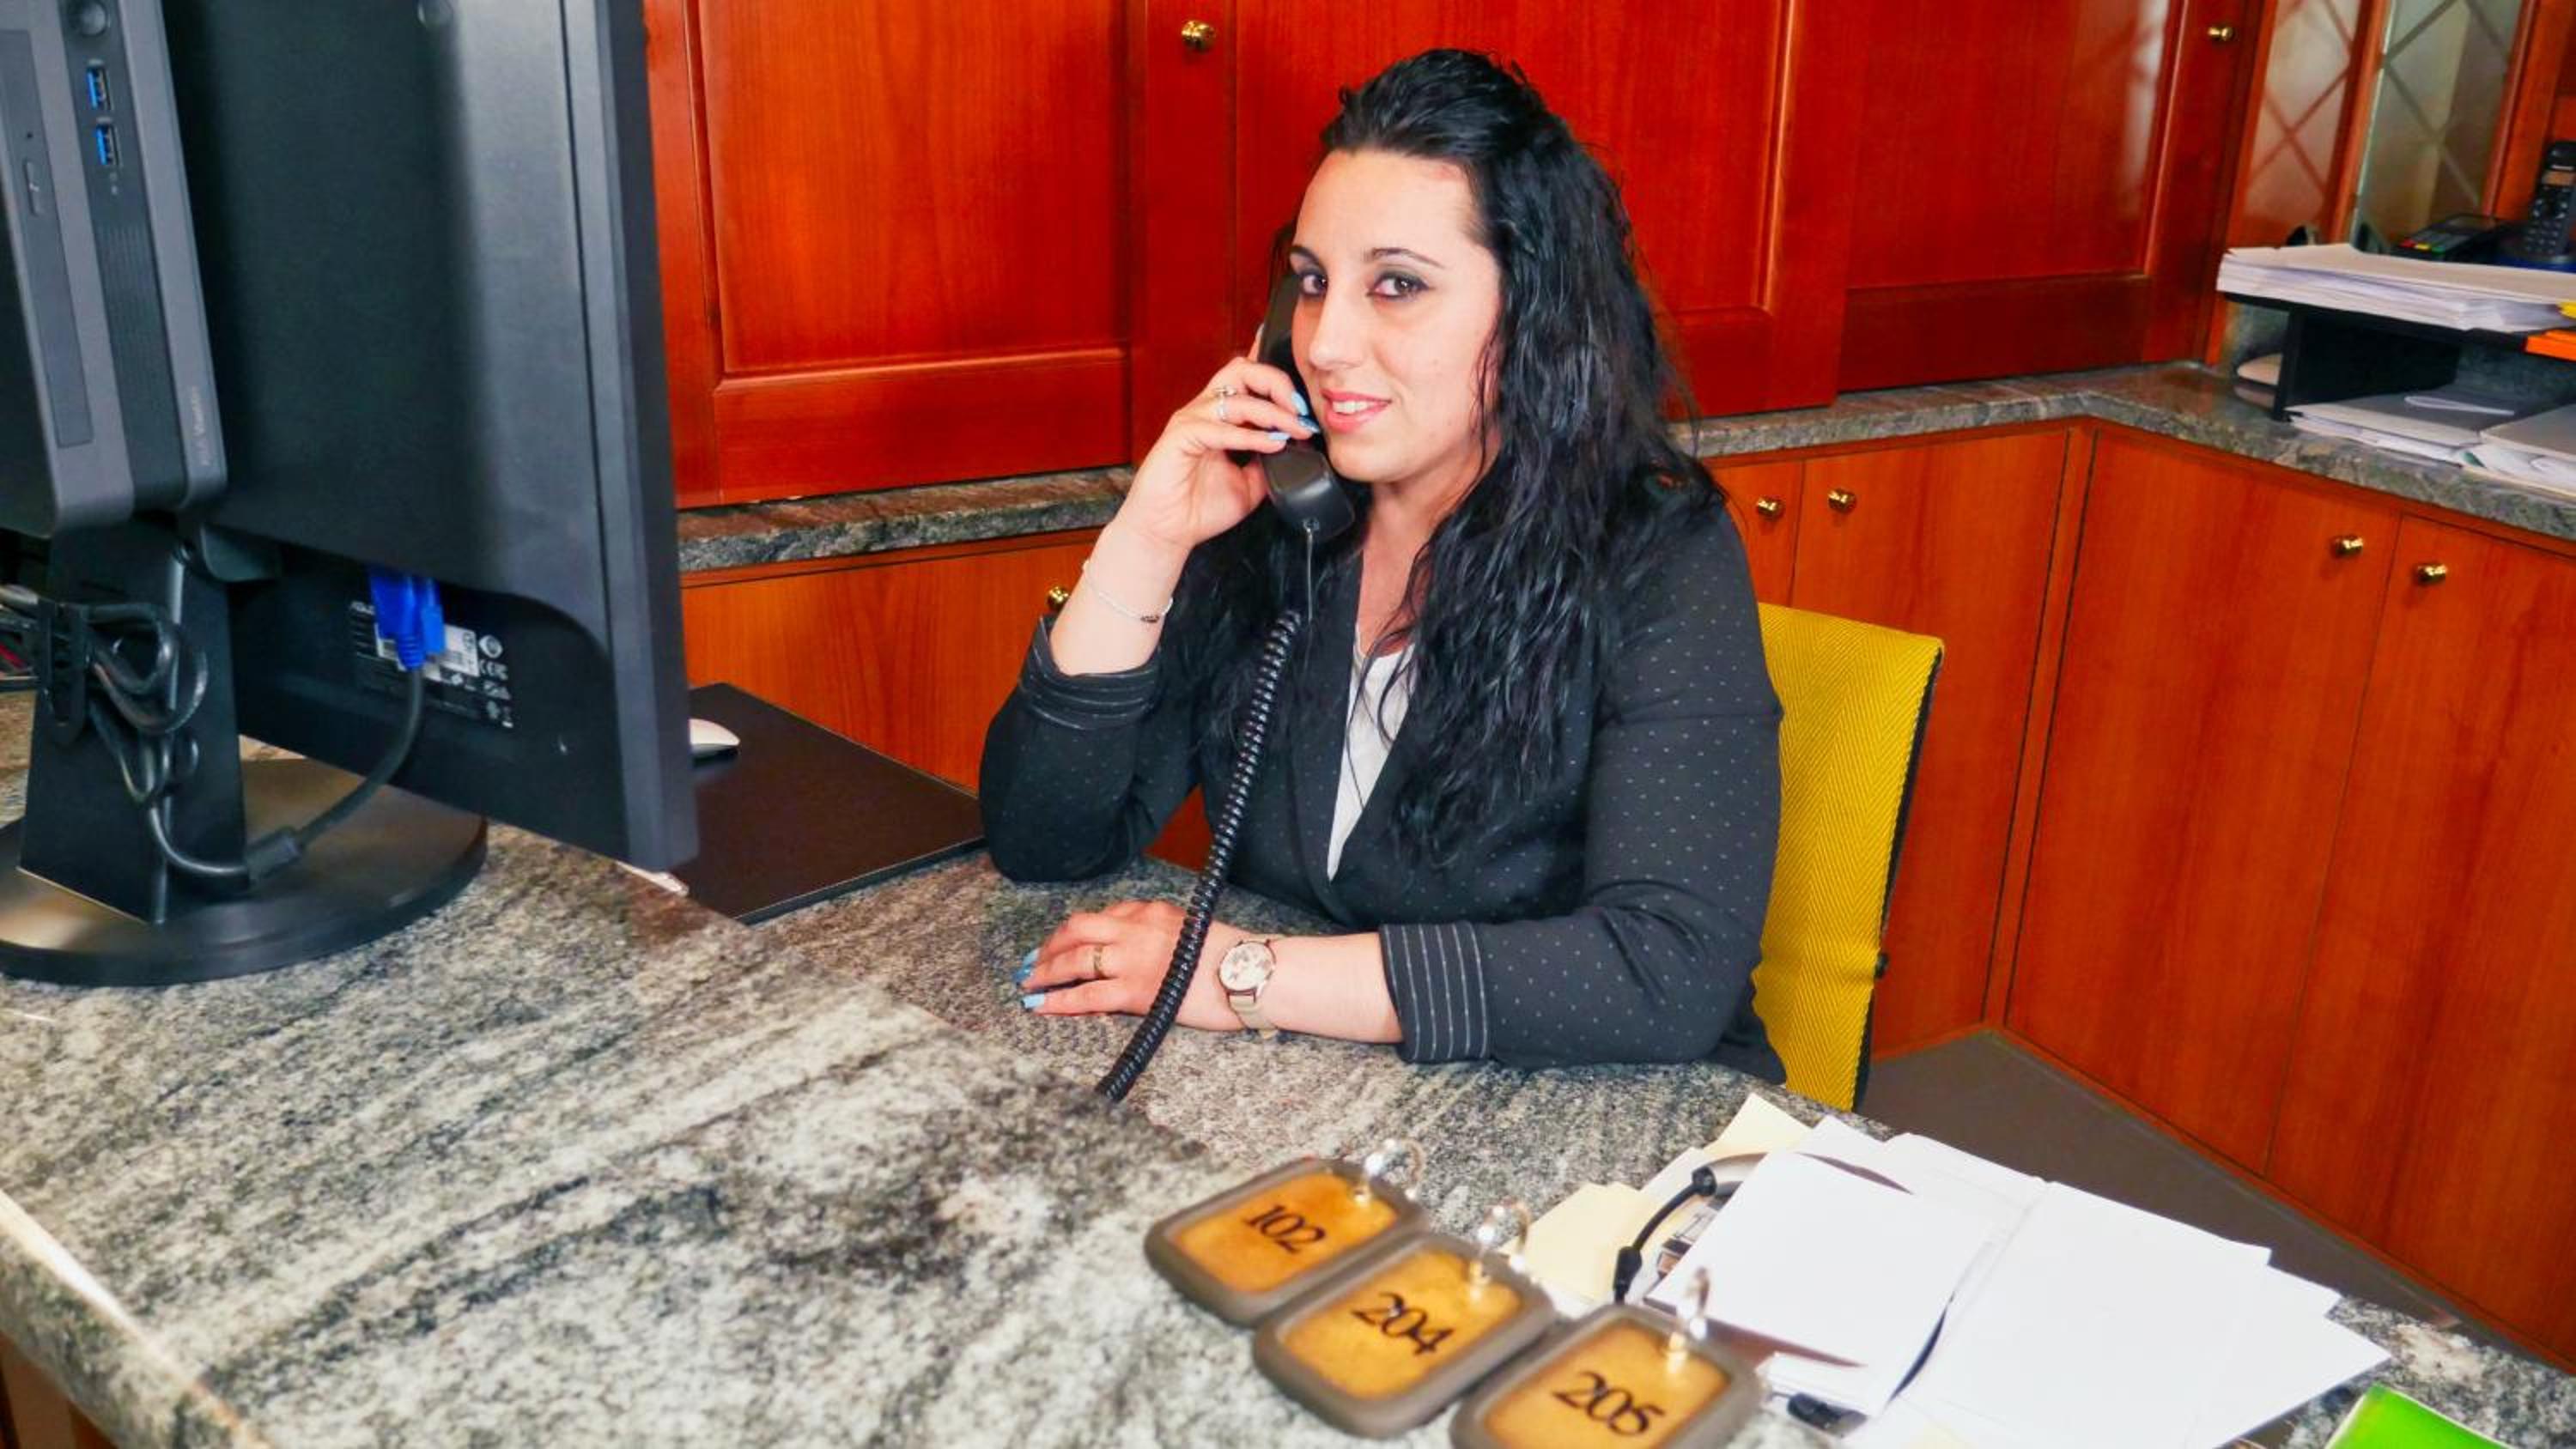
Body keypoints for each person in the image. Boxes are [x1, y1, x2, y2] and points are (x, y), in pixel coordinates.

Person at [976, 49, 1783, 1076]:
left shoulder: (1658, 552)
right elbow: (1044, 840)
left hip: (1616, 1118)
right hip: (1344, 1089)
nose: (1325, 343)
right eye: (1313, 283)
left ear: (1532, 314)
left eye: (1397, 285)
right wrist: (1144, 543)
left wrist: (1243, 974)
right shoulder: (1285, 522)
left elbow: (1663, 971)